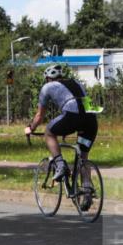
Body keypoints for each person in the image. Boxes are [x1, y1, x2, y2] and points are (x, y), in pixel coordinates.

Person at [25, 64, 98, 208]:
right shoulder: (77, 83)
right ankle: (87, 189)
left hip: (72, 117)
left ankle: (60, 165)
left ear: (47, 78)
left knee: (49, 132)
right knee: (83, 157)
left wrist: (30, 128)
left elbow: (39, 116)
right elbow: (87, 104)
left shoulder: (47, 87)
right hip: (90, 120)